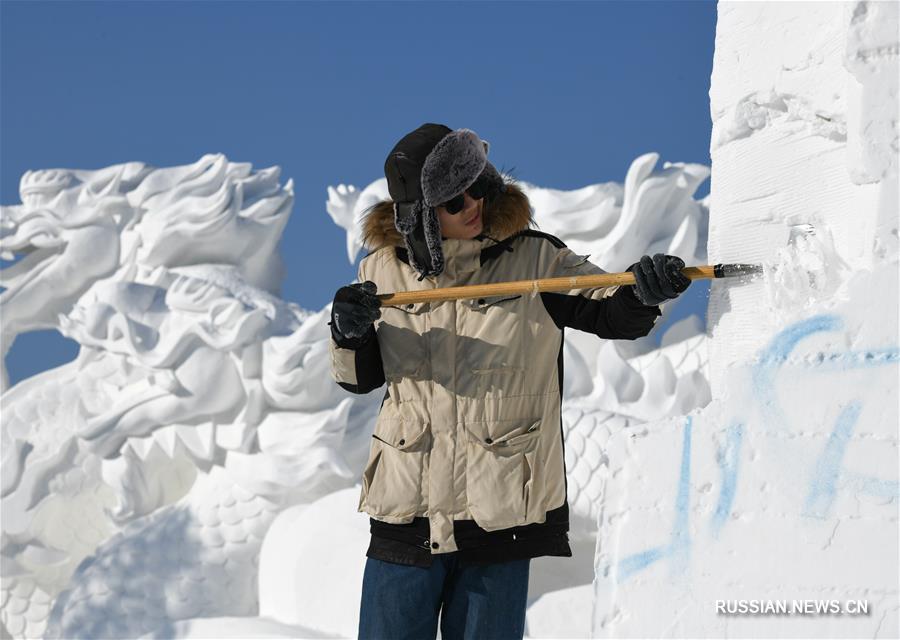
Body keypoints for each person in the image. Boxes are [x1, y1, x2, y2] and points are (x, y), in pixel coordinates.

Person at [328, 123, 691, 640]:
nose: (473, 202)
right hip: (404, 516)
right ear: (421, 216)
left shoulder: (535, 259)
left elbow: (611, 312)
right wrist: (347, 331)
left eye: (477, 185)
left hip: (498, 517)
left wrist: (644, 291)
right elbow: (360, 379)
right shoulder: (379, 271)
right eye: (453, 201)